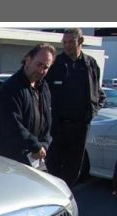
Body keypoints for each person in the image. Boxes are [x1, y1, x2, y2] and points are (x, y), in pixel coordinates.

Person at [46, 28, 106, 187]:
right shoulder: (56, 64)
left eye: (70, 42)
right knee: (53, 168)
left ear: (80, 42)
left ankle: (68, 197)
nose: (66, 45)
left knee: (73, 170)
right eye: (64, 42)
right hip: (58, 127)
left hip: (80, 127)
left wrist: (93, 111)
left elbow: (97, 92)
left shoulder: (90, 64)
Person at [0, 44, 55, 167]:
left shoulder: (43, 87)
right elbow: (12, 125)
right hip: (9, 159)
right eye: (39, 64)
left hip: (35, 157)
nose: (41, 70)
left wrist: (44, 145)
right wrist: (35, 146)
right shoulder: (11, 88)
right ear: (28, 60)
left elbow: (48, 121)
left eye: (46, 67)